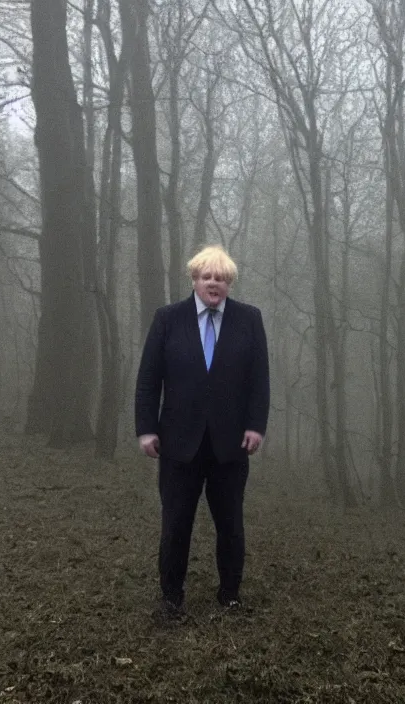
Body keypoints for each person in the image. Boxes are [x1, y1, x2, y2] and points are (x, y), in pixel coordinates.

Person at [135, 245, 270, 621]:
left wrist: (256, 426)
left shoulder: (249, 319)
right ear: (194, 279)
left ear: (229, 283)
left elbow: (260, 380)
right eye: (208, 277)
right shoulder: (167, 319)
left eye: (222, 278)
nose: (214, 284)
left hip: (231, 446)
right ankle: (171, 599)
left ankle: (229, 596)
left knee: (230, 526)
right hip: (178, 444)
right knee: (176, 525)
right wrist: (146, 429)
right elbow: (149, 379)